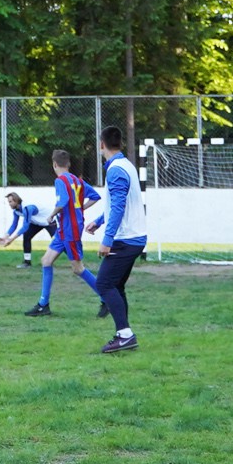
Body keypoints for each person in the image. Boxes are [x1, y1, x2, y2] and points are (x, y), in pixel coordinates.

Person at [24, 150, 103, 317]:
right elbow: (95, 196)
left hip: (70, 229)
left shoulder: (60, 181)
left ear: (54, 165)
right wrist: (80, 208)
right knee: (46, 260)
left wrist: (52, 214)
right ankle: (43, 305)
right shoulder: (77, 180)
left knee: (78, 268)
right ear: (69, 164)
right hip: (64, 229)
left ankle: (107, 299)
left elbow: (63, 201)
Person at [92, 127, 148, 353]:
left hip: (125, 239)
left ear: (101, 145)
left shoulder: (115, 170)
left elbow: (118, 206)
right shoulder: (127, 166)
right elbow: (117, 203)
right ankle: (123, 334)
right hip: (136, 237)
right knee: (116, 285)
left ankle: (125, 335)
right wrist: (98, 220)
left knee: (103, 284)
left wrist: (107, 239)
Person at [2, 192, 48, 267]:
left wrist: (11, 239)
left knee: (59, 241)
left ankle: (73, 258)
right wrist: (5, 236)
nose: (9, 204)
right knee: (26, 236)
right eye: (8, 202)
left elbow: (25, 226)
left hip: (48, 221)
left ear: (16, 201)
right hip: (37, 222)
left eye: (10, 201)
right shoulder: (16, 211)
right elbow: (14, 225)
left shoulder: (26, 208)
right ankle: (27, 262)